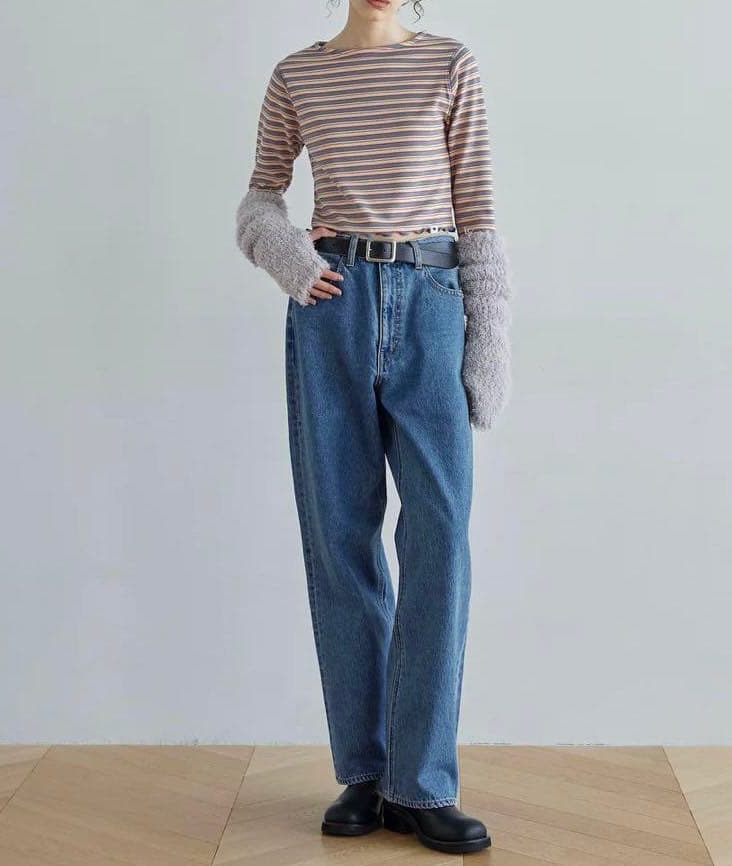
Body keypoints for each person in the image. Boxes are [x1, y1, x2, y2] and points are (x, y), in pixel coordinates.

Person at [234, 0, 511, 854]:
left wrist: (488, 342)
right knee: (340, 537)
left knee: (440, 537)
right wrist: (291, 257)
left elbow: (479, 215)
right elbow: (258, 201)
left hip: (432, 303)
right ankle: (364, 772)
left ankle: (421, 783)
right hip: (333, 308)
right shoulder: (298, 75)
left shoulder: (450, 64)